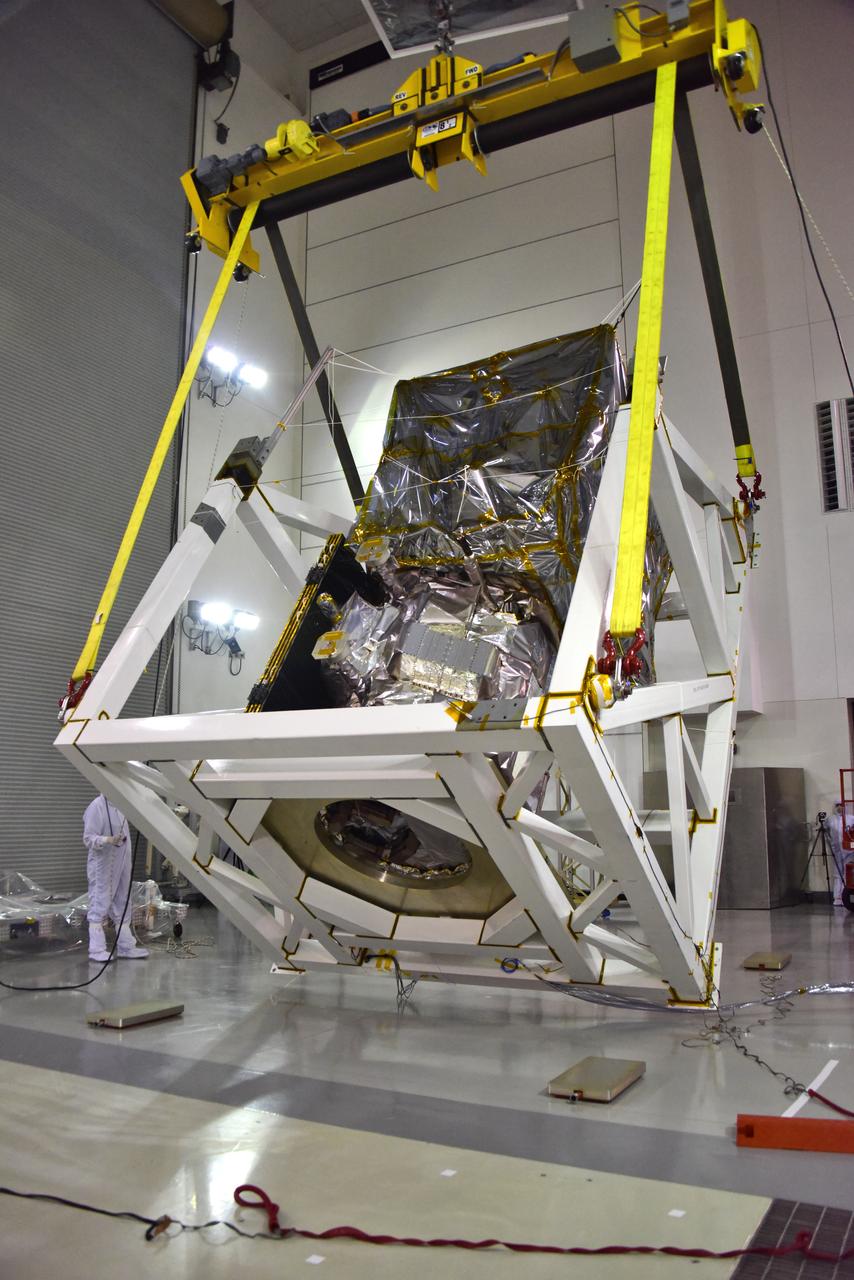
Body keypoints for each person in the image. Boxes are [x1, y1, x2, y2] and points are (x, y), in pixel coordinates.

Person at [83, 794, 148, 961]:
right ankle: (96, 950)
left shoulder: (121, 806)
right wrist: (108, 839)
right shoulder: (97, 806)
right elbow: (88, 838)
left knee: (123, 901)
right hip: (102, 864)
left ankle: (126, 947)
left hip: (122, 862)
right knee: (100, 900)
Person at [828, 802, 852, 907]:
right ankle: (837, 897)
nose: (839, 807)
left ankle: (845, 897)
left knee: (847, 873)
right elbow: (825, 832)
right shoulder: (830, 820)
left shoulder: (851, 818)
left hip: (849, 851)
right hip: (836, 850)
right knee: (837, 873)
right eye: (837, 805)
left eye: (842, 805)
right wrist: (831, 844)